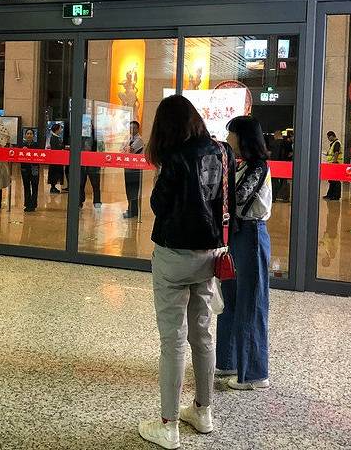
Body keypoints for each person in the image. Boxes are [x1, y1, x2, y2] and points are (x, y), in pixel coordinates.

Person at [138, 94, 235, 450]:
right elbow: (229, 200)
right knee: (202, 334)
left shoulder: (174, 158)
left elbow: (159, 205)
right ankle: (203, 411)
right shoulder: (223, 151)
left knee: (173, 341)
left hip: (174, 256)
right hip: (211, 254)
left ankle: (169, 426)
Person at [216, 115, 272, 391]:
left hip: (252, 235)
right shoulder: (242, 165)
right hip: (238, 235)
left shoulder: (258, 167)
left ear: (243, 137)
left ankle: (254, 374)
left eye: (232, 134)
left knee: (251, 303)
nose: (228, 139)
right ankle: (229, 362)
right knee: (231, 299)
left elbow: (237, 198)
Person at [122, 120, 144, 218]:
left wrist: (126, 149)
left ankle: (133, 211)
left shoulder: (139, 140)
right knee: (128, 189)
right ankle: (130, 208)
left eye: (134, 128)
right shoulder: (128, 138)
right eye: (130, 128)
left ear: (138, 129)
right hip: (127, 167)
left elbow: (130, 151)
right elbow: (122, 150)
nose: (132, 130)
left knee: (133, 190)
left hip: (135, 169)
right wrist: (125, 149)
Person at [79, 123, 101, 209]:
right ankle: (80, 201)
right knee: (80, 183)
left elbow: (101, 148)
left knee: (95, 184)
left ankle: (97, 201)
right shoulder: (80, 135)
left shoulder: (97, 135)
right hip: (82, 162)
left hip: (93, 162)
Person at [20, 128, 39, 212]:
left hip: (34, 168)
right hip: (25, 168)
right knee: (26, 186)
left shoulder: (37, 145)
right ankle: (27, 204)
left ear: (33, 135)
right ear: (25, 135)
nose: (29, 135)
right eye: (27, 133)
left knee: (35, 186)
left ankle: (33, 205)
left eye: (31, 134)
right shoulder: (22, 145)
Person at [324, 131, 343, 201]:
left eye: (328, 137)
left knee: (336, 181)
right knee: (332, 180)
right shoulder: (333, 143)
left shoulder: (337, 143)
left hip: (335, 164)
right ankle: (330, 194)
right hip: (332, 164)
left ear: (332, 136)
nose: (328, 139)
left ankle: (336, 196)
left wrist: (334, 162)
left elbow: (336, 153)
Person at [47, 123, 65, 194]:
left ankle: (53, 187)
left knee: (56, 173)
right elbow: (55, 148)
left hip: (58, 158)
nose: (61, 130)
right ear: (57, 130)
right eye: (60, 128)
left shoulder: (57, 137)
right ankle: (53, 187)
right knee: (54, 173)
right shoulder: (53, 138)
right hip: (55, 159)